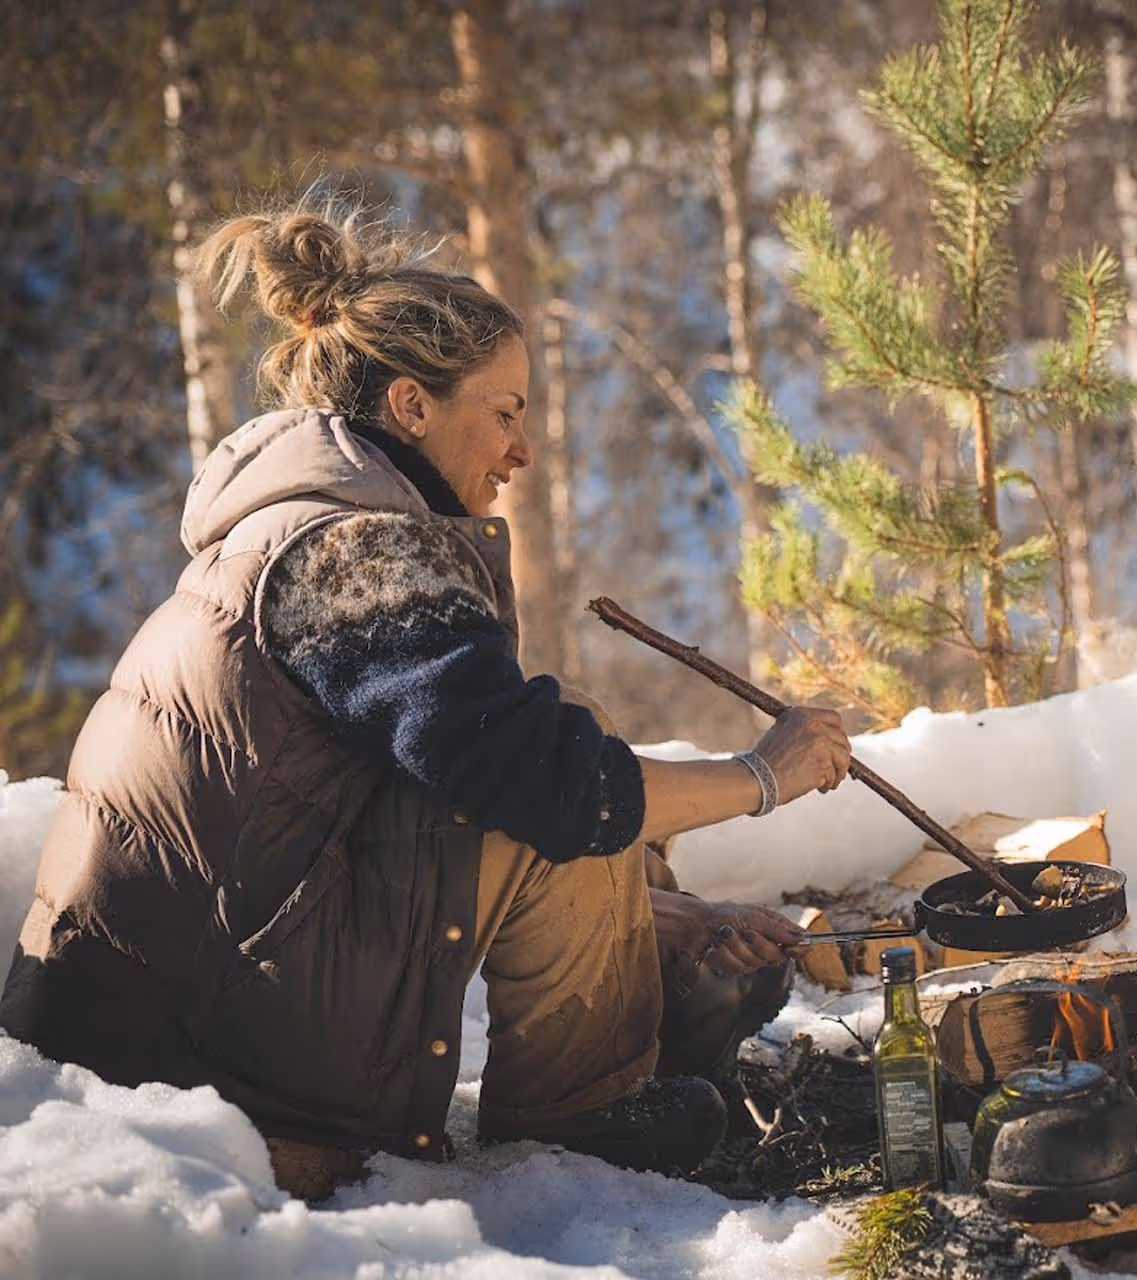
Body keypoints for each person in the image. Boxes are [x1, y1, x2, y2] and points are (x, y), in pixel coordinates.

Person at [0, 203, 855, 1184]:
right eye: (504, 411)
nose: (521, 451)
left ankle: (665, 972)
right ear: (411, 406)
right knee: (564, 749)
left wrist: (670, 916)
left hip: (159, 1026)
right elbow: (539, 784)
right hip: (188, 1071)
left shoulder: (305, 524)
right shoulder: (350, 551)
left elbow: (381, 830)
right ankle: (586, 1118)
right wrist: (763, 773)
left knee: (546, 747)